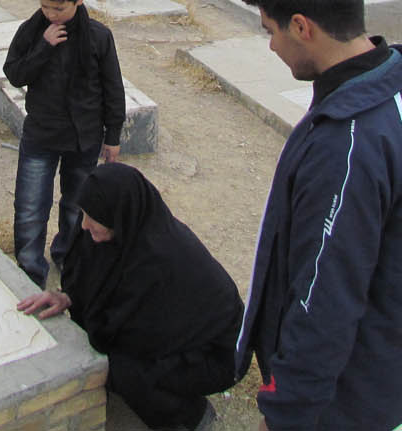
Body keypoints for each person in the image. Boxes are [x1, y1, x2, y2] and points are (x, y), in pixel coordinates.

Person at [236, 0, 402, 431]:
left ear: (302, 26)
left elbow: (324, 295)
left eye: (271, 31)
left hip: (342, 397)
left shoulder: (349, 142)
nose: (271, 47)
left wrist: (287, 410)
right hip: (395, 361)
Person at [18, 164, 240, 431]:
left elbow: (133, 337)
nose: (84, 225)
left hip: (216, 353)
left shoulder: (160, 261)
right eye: (84, 213)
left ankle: (191, 414)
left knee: (124, 372)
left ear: (120, 216)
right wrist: (68, 297)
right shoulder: (118, 229)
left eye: (93, 217)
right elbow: (93, 280)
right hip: (169, 335)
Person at [3, 0, 125, 288]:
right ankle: (30, 270)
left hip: (84, 141)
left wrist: (112, 136)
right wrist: (43, 46)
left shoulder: (99, 37)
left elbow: (113, 90)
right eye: (44, 6)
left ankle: (68, 259)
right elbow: (15, 74)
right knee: (30, 207)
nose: (51, 14)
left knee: (76, 207)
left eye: (59, 8)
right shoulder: (32, 32)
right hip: (41, 136)